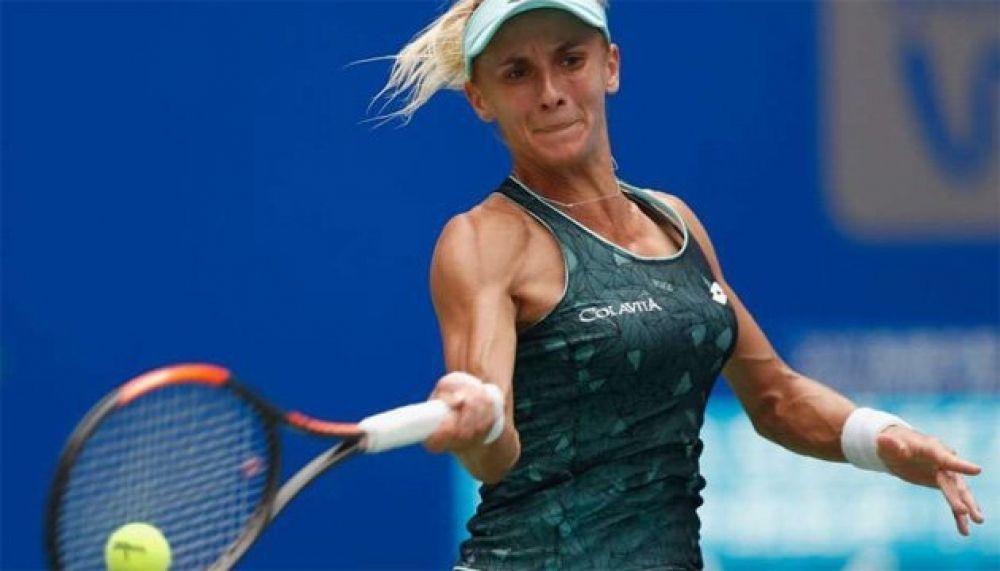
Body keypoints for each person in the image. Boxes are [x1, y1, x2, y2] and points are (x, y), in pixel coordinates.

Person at [373, 1, 985, 568]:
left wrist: (883, 439)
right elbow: (494, 449)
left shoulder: (673, 222)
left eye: (570, 60)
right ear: (480, 98)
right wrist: (480, 422)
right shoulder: (483, 240)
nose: (551, 93)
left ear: (610, 66)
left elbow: (776, 398)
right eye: (517, 73)